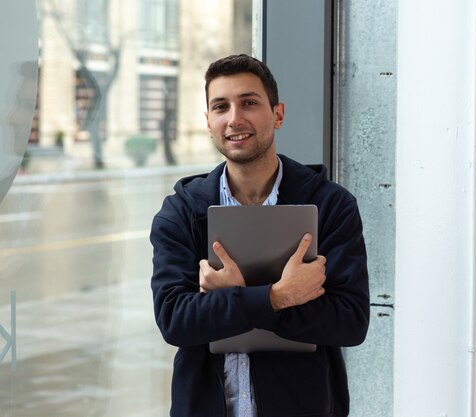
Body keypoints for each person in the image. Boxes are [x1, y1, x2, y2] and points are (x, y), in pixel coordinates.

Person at [150, 54, 370, 417]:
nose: (234, 118)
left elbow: (351, 320)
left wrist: (233, 301)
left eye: (249, 103)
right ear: (208, 122)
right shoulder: (182, 212)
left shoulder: (330, 205)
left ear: (277, 114)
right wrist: (278, 297)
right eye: (220, 107)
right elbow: (175, 320)